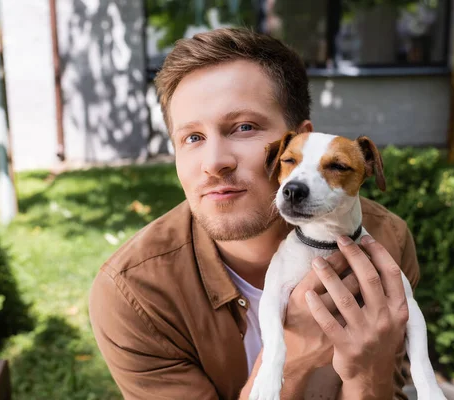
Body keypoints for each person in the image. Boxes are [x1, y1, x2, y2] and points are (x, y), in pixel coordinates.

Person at [88, 27, 420, 400]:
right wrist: (292, 352)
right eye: (192, 138)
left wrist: (365, 373)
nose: (214, 163)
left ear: (300, 141)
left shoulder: (384, 241)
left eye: (244, 127)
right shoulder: (135, 296)